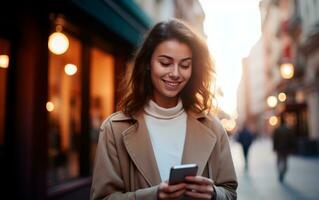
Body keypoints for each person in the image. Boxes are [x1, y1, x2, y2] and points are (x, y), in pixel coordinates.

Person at [90, 19, 237, 200]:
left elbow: (230, 192)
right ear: (148, 63)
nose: (175, 73)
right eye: (165, 63)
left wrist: (214, 194)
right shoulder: (114, 129)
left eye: (184, 65)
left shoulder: (213, 126)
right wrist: (154, 196)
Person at [272, 115, 295, 183]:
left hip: (279, 148)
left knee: (279, 161)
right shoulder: (289, 129)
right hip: (286, 148)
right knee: (285, 161)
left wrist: (274, 147)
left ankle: (280, 171)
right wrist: (292, 148)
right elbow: (291, 140)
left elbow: (275, 140)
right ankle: (283, 171)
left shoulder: (277, 129)